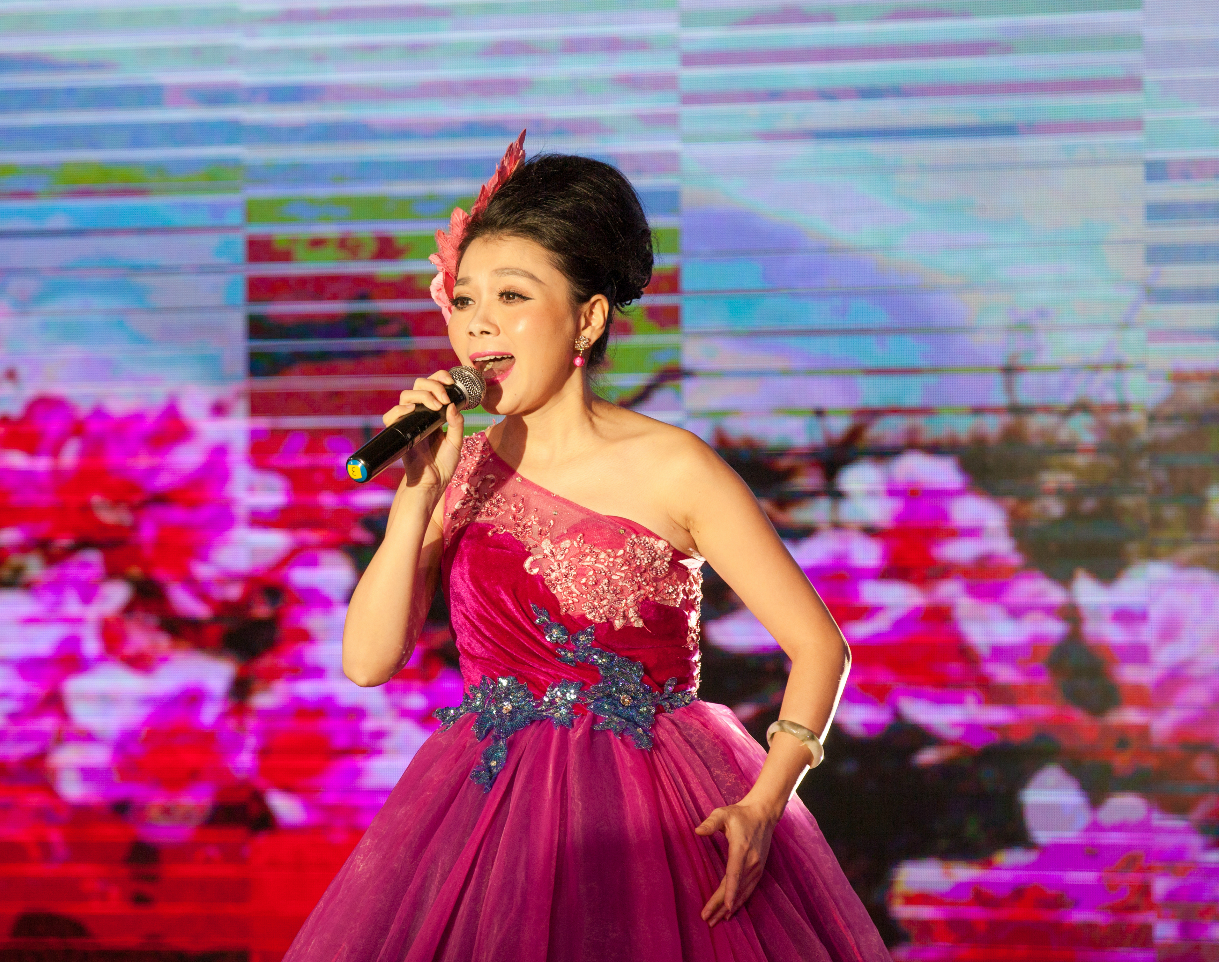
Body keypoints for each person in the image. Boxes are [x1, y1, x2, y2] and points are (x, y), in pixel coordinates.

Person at [283, 135, 892, 961]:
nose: (478, 322)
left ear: (589, 317)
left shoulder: (674, 467)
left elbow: (820, 647)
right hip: (491, 817)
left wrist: (765, 802)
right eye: (463, 299)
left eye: (511, 295)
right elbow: (366, 662)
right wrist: (418, 492)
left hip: (653, 817)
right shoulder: (456, 469)